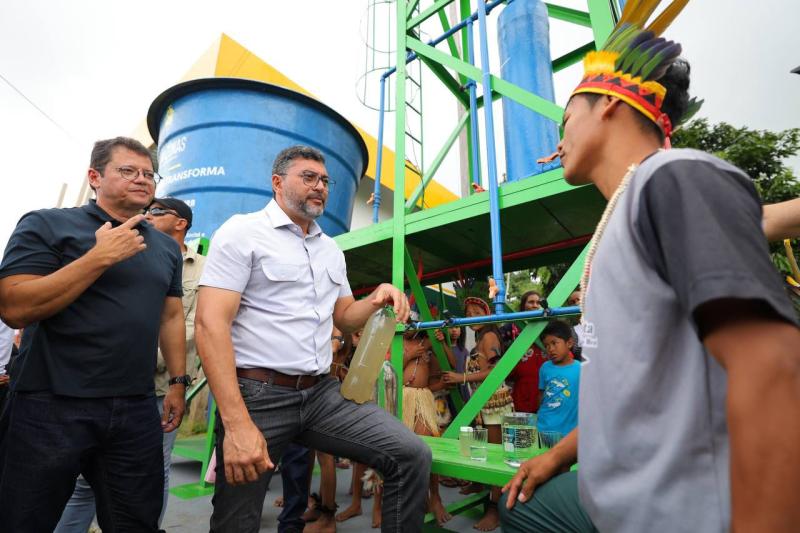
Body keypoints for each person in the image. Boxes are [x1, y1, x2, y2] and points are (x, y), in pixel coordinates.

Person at [500, 5, 800, 532]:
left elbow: (775, 369)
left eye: (566, 118)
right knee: (526, 509)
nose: (559, 138)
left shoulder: (673, 177)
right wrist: (554, 457)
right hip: (612, 496)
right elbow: (625, 392)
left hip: (677, 511)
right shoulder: (627, 212)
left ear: (610, 105)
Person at [194, 145, 429, 533]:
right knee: (237, 519)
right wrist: (236, 424)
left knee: (409, 454)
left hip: (320, 395)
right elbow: (209, 324)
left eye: (324, 180)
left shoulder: (330, 250)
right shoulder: (242, 232)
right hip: (258, 395)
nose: (319, 186)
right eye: (308, 177)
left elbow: (345, 318)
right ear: (277, 182)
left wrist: (374, 299)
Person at [0, 136, 188, 533]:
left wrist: (176, 382)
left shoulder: (165, 249)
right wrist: (98, 258)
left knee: (136, 521)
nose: (142, 179)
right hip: (50, 404)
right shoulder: (47, 224)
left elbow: (170, 317)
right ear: (94, 177)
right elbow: (14, 307)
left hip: (135, 406)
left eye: (148, 174)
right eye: (127, 171)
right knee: (25, 519)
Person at [53, 196, 205, 532]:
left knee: (151, 472)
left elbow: (190, 324)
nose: (147, 215)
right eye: (146, 211)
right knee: (83, 477)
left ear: (180, 222)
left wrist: (155, 361)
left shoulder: (204, 267)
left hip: (163, 386)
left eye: (156, 212)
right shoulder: (130, 249)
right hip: (112, 382)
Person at [442, 296, 513, 531]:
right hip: (481, 404)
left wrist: (461, 377)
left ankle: (494, 510)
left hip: (494, 403)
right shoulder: (479, 340)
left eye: (476, 312)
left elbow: (494, 371)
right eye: (468, 314)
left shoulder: (490, 337)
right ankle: (479, 485)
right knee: (480, 450)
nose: (472, 317)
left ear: (487, 313)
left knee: (494, 456)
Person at [401, 331, 451, 526]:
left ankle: (435, 498)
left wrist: (442, 342)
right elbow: (387, 370)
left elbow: (450, 365)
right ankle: (417, 500)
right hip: (400, 398)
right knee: (402, 452)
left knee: (427, 449)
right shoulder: (393, 338)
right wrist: (409, 356)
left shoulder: (427, 340)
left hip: (423, 398)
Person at [536, 320, 580, 444]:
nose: (550, 349)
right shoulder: (545, 367)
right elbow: (541, 395)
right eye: (546, 345)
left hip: (569, 432)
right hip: (544, 429)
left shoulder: (581, 369)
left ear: (569, 343)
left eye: (554, 343)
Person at [505, 291, 548, 414]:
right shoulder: (512, 329)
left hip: (544, 386)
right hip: (522, 388)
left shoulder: (547, 327)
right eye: (531, 302)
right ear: (523, 305)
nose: (535, 305)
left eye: (538, 302)